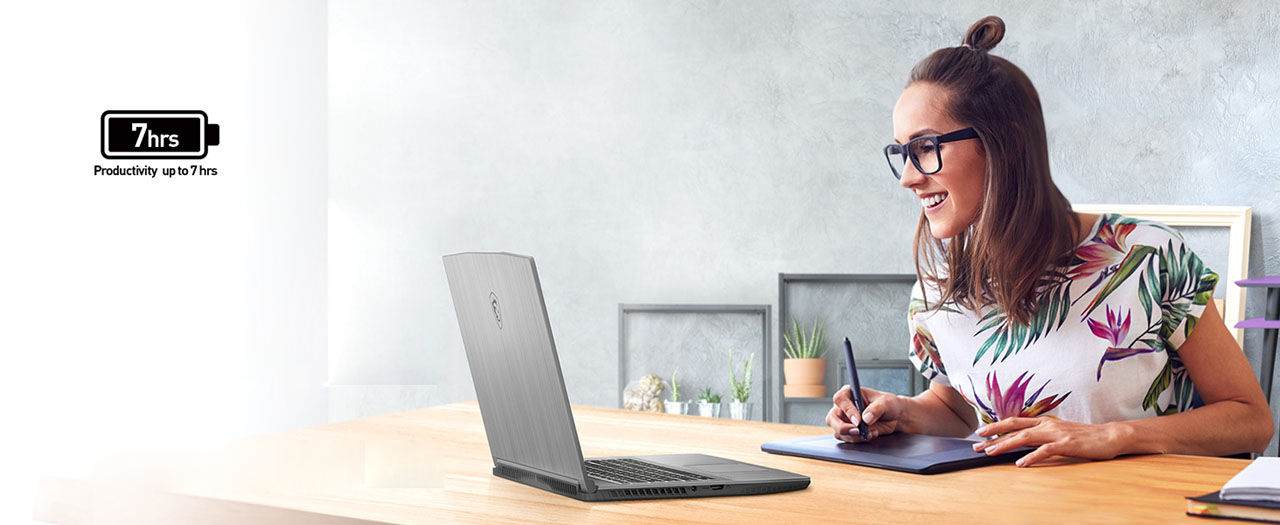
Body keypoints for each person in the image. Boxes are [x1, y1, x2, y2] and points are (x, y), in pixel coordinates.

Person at [825, 15, 1273, 466]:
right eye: (902, 153)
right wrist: (902, 412)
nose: (907, 178)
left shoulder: (1147, 257)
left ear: (1008, 143)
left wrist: (1114, 436)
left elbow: (1251, 419)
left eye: (925, 148)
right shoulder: (937, 288)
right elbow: (958, 409)